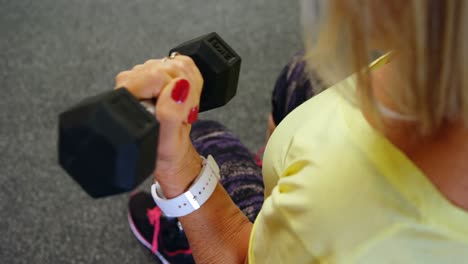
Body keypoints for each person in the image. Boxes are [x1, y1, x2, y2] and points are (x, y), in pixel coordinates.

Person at [118, 0, 468, 263]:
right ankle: (277, 193)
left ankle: (187, 235)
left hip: (320, 220)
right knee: (304, 74)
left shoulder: (339, 206)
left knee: (202, 139)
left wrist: (176, 166)